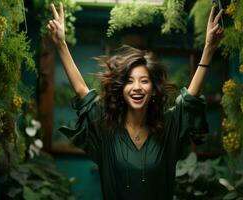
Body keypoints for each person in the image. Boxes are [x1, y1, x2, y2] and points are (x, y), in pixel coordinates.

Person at [47, 3, 224, 200]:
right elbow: (81, 89)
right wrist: (61, 44)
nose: (137, 87)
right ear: (121, 90)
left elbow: (190, 99)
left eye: (144, 81)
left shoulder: (167, 127)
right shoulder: (106, 127)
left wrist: (209, 48)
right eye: (129, 81)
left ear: (153, 90)